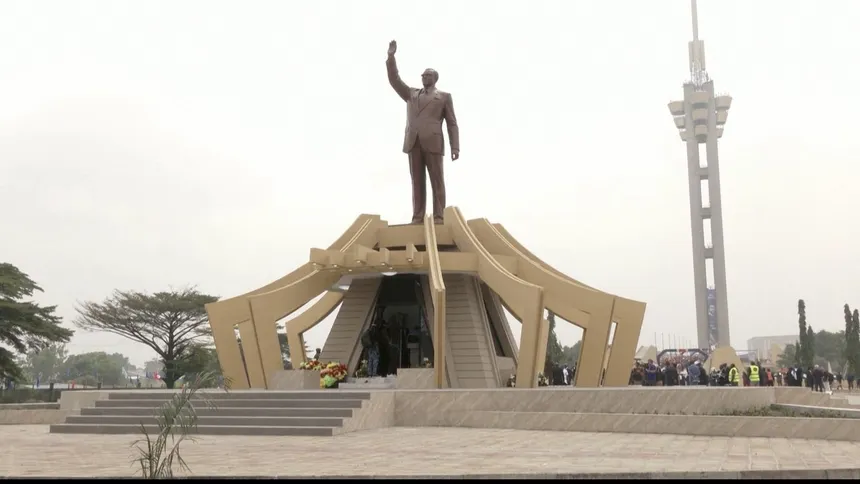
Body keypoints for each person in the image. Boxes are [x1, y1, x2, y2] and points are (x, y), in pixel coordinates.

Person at [385, 40, 460, 224]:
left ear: (435, 78)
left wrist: (455, 146)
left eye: (428, 75)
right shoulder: (411, 94)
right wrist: (391, 58)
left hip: (433, 142)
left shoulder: (443, 97)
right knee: (417, 182)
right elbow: (395, 80)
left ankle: (439, 216)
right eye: (423, 75)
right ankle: (417, 216)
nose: (424, 77)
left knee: (437, 181)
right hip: (413, 142)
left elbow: (452, 123)